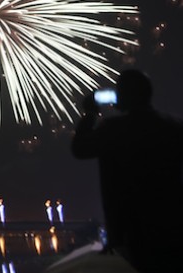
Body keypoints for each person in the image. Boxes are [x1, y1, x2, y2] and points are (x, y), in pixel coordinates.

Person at [71, 68, 183, 272]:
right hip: (173, 226)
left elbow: (79, 149)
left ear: (126, 95)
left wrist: (89, 114)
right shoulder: (174, 127)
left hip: (130, 231)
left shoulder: (113, 129)